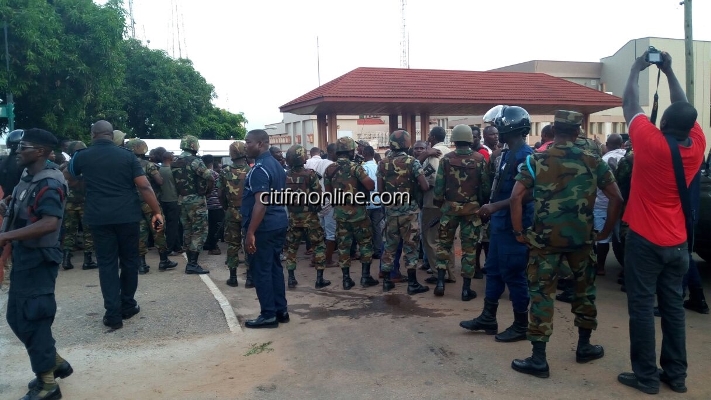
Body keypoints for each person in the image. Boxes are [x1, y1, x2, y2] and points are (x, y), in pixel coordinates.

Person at [616, 51, 706, 394]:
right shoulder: (697, 145)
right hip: (679, 244)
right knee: (673, 310)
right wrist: (668, 72)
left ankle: (647, 378)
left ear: (664, 124)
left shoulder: (650, 142)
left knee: (641, 309)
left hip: (645, 240)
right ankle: (676, 376)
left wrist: (638, 68)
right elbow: (685, 107)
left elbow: (629, 102)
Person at [509, 110, 622, 379]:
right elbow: (616, 197)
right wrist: (603, 231)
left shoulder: (536, 158)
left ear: (554, 129)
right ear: (578, 130)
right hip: (582, 240)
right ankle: (584, 347)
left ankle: (538, 359)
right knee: (584, 294)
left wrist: (518, 232)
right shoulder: (594, 159)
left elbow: (516, 197)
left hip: (545, 241)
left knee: (541, 295)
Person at [68, 120, 164, 330]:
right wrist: (156, 211)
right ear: (112, 135)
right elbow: (144, 186)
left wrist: (85, 185)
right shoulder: (128, 156)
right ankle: (128, 305)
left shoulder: (81, 156)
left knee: (107, 264)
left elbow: (70, 176)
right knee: (129, 261)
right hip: (127, 216)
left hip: (98, 217)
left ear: (93, 134)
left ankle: (112, 314)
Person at [1, 129, 71, 400]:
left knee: (34, 318)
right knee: (16, 317)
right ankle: (54, 362)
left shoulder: (49, 183)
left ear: (40, 151)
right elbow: (17, 204)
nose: (18, 150)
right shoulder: (28, 178)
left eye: (24, 146)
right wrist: (5, 206)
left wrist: (5, 236)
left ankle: (47, 385)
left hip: (39, 259)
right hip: (25, 257)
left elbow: (49, 222)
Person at [460, 105, 534, 342]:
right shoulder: (506, 154)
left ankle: (521, 325)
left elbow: (524, 195)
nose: (493, 130)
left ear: (509, 127)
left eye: (498, 126)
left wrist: (494, 207)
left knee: (514, 273)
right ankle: (488, 317)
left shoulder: (525, 156)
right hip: (500, 224)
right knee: (493, 270)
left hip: (515, 224)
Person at [432, 124, 491, 299]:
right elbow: (485, 187)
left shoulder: (446, 159)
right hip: (471, 210)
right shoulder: (480, 159)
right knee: (469, 249)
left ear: (455, 140)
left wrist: (440, 205)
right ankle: (466, 289)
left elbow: (439, 187)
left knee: (443, 246)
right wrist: (481, 204)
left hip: (449, 209)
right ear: (470, 139)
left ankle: (440, 283)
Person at [242, 129, 289, 328]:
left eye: (248, 142)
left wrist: (251, 232)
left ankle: (268, 314)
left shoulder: (260, 169)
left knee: (262, 270)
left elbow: (261, 203)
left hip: (264, 226)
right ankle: (281, 311)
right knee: (274, 268)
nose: (246, 146)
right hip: (278, 222)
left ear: (261, 144)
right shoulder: (276, 165)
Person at [378, 130, 430, 294]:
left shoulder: (383, 163)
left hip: (391, 212)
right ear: (407, 143)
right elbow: (425, 186)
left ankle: (387, 281)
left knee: (389, 247)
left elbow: (380, 191)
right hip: (410, 212)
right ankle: (412, 283)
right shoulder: (412, 162)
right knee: (411, 247)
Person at [324, 137, 377, 290]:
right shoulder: (356, 168)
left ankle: (346, 280)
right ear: (350, 151)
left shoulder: (330, 169)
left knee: (343, 247)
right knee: (365, 244)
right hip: (359, 214)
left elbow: (328, 193)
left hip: (340, 215)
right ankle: (365, 277)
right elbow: (370, 185)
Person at [124, 139, 177, 274]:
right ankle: (163, 260)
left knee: (140, 234)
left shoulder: (126, 165)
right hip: (150, 204)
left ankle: (142, 264)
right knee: (158, 230)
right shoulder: (148, 165)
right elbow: (159, 180)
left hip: (133, 204)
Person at [283, 144, 331, 289]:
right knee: (318, 247)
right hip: (310, 218)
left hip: (293, 217)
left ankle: (291, 278)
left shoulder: (285, 175)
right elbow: (319, 196)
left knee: (292, 248)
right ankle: (319, 279)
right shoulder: (310, 175)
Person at [418, 126, 457, 282]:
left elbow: (432, 179)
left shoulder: (434, 153)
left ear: (432, 137)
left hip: (433, 202)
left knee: (431, 239)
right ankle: (451, 273)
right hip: (450, 202)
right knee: (447, 238)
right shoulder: (449, 152)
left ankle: (437, 272)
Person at [172, 135, 214, 274]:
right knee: (200, 231)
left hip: (181, 200)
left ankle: (190, 261)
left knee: (187, 230)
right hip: (196, 200)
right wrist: (207, 191)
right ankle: (192, 264)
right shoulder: (195, 161)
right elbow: (210, 177)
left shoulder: (176, 161)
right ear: (193, 145)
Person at [59, 141, 98, 271]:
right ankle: (88, 260)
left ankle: (66, 259)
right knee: (88, 232)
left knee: (69, 232)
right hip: (86, 202)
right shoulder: (89, 166)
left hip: (70, 202)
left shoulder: (65, 166)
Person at [218, 141, 252, 287]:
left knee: (233, 245)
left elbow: (220, 193)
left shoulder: (225, 172)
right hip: (248, 212)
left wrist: (226, 207)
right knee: (250, 244)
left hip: (231, 212)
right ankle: (250, 278)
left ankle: (233, 277)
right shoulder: (252, 170)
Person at [593, 134, 626, 276]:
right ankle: (625, 268)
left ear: (607, 144)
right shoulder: (627, 157)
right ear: (622, 144)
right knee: (621, 237)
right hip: (624, 205)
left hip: (602, 204)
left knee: (603, 238)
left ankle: (600, 267)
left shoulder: (603, 161)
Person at [309, 143, 338, 268]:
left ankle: (315, 258)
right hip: (328, 201)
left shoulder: (320, 162)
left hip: (317, 199)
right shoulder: (333, 166)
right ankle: (328, 260)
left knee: (318, 232)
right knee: (331, 233)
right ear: (332, 153)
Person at [361, 145, 384, 260]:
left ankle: (366, 251)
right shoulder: (378, 166)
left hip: (366, 202)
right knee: (377, 228)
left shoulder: (362, 168)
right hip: (378, 201)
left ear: (364, 154)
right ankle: (378, 250)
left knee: (365, 228)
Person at [159, 152, 181, 255]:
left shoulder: (159, 170)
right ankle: (169, 248)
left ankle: (177, 246)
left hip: (163, 200)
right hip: (173, 199)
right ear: (171, 158)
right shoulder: (172, 171)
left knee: (169, 224)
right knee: (173, 226)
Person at [202, 154, 224, 256]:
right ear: (212, 162)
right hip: (216, 204)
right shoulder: (215, 174)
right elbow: (220, 190)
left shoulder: (201, 174)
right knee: (216, 227)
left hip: (205, 203)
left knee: (208, 226)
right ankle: (213, 246)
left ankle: (207, 243)